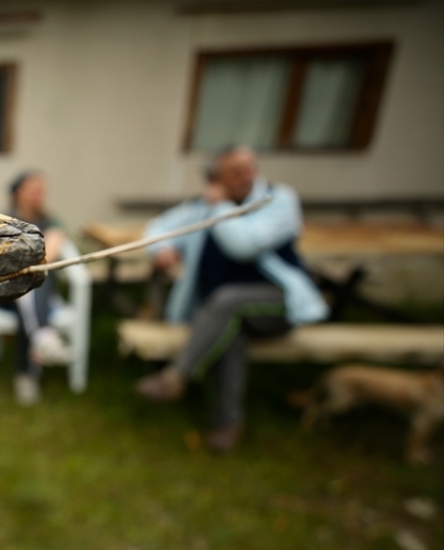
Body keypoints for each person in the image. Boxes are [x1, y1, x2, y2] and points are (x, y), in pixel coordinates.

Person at [134, 145, 328, 451]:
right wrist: (163, 248)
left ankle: (176, 376)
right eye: (235, 171)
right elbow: (157, 228)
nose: (246, 175)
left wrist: (220, 208)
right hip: (226, 312)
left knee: (228, 301)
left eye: (250, 167)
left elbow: (243, 245)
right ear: (216, 178)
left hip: (278, 304)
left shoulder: (278, 200)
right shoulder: (203, 206)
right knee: (229, 332)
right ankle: (228, 424)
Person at [4, 170, 71, 406]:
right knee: (32, 283)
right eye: (34, 189)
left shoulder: (52, 222)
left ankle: (25, 375)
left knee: (33, 283)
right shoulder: (0, 220)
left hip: (32, 293)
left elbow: (49, 256)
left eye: (41, 190)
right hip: (3, 294)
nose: (39, 195)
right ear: (18, 193)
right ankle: (42, 340)